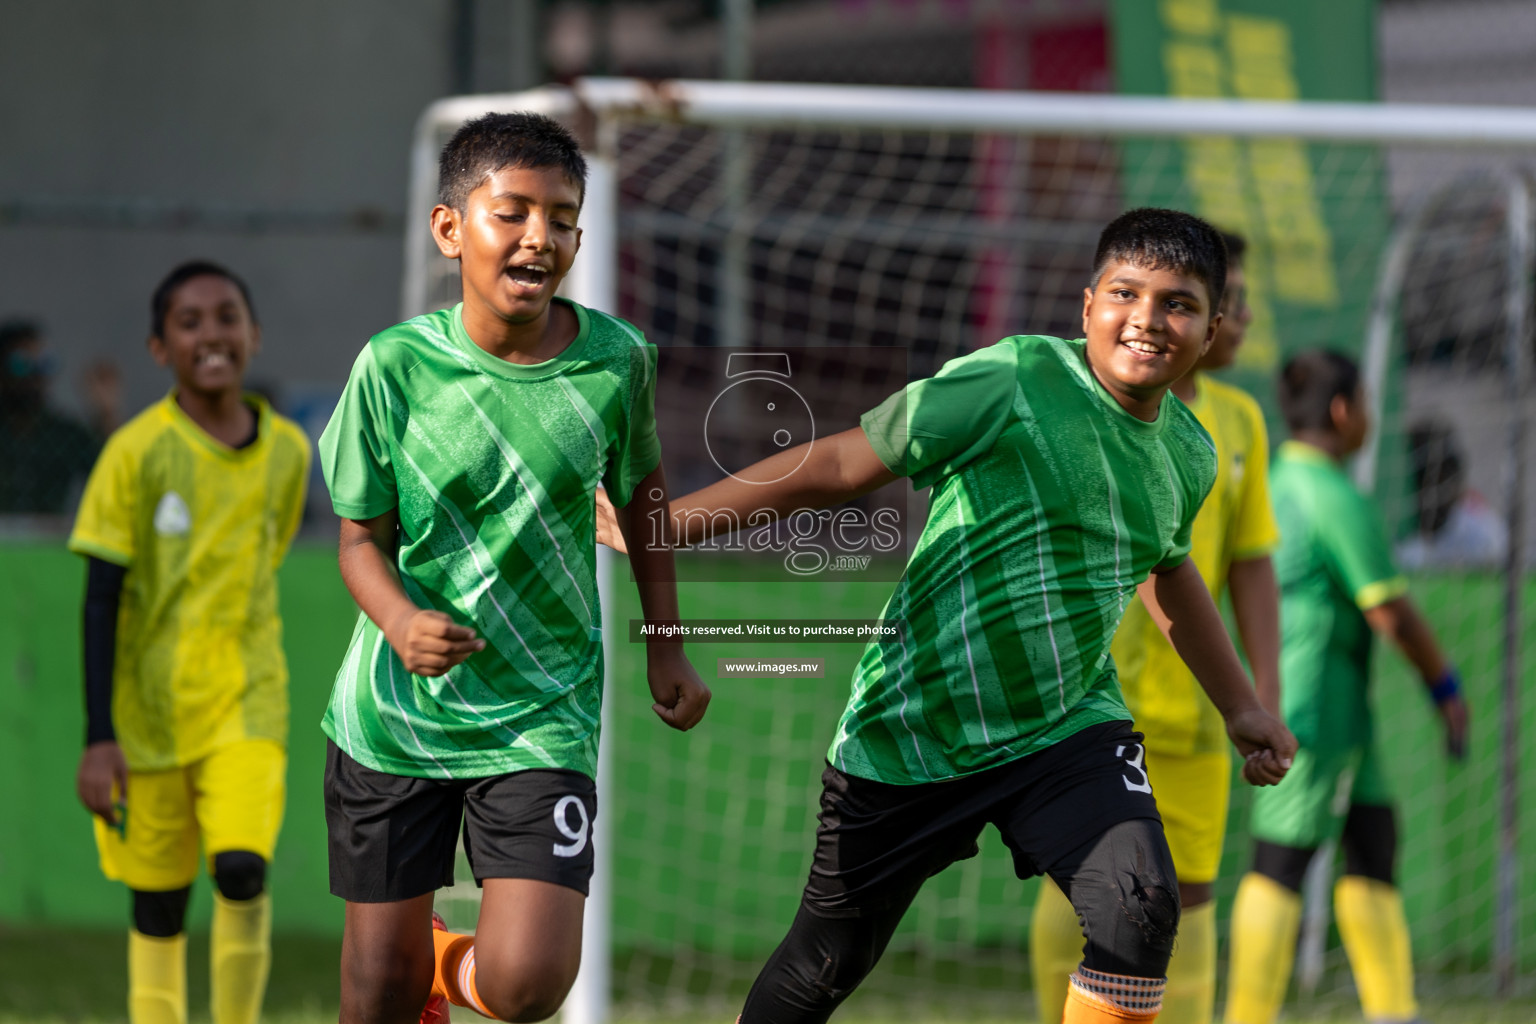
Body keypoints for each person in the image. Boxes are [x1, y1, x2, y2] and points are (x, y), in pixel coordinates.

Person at [600, 208, 1296, 1024]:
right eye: (1125, 293)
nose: (1146, 319)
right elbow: (836, 464)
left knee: (1139, 905)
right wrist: (672, 523)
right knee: (825, 963)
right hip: (915, 728)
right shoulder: (1012, 379)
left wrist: (1241, 705)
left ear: (1213, 329)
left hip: (1063, 726)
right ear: (1087, 306)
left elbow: (1167, 570)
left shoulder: (1192, 452)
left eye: (1177, 303)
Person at [317, 111, 709, 1024]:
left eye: (564, 217)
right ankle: (412, 978)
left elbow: (643, 505)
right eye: (515, 212)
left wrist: (667, 646)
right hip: (395, 719)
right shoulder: (394, 368)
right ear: (451, 229)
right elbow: (358, 542)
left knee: (528, 985)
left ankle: (445, 966)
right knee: (374, 996)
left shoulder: (617, 361)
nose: (543, 236)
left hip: (543, 706)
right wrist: (398, 622)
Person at [1030, 231, 1281, 1024]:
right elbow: (1144, 553)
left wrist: (1258, 694)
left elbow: (1250, 560)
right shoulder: (1091, 407)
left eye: (1223, 304)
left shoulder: (1238, 422)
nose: (1240, 320)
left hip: (1201, 713)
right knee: (1084, 887)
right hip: (1098, 698)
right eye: (1229, 301)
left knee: (1190, 892)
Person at [68, 261, 311, 1024]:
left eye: (227, 316)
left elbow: (263, 558)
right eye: (190, 321)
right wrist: (99, 738)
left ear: (254, 334)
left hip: (248, 704)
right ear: (158, 348)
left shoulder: (290, 455)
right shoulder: (135, 455)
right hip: (148, 720)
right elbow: (100, 601)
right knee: (161, 904)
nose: (212, 334)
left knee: (241, 870)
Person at [1224, 350, 1470, 1024]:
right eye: (1365, 401)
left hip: (1334, 707)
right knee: (1281, 858)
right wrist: (1445, 687)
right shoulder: (1329, 493)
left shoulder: (1274, 481)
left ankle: (1393, 1010)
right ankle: (1248, 1016)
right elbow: (1390, 611)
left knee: (1374, 837)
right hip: (1313, 706)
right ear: (1343, 410)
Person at [0, 318, 114, 514]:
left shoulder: (66, 434)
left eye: (46, 364)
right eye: (21, 365)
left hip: (49, 542)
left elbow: (114, 477)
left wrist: (106, 415)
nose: (35, 375)